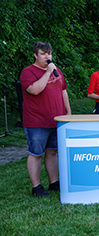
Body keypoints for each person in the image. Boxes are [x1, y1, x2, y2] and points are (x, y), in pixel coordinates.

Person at [20, 42, 72, 197]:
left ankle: (53, 182)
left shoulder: (57, 71)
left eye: (49, 53)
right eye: (43, 53)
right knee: (36, 153)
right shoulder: (28, 72)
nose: (47, 57)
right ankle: (36, 187)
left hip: (56, 120)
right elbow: (35, 90)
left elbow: (63, 91)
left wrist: (68, 112)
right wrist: (48, 72)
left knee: (52, 152)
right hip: (37, 122)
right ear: (35, 55)